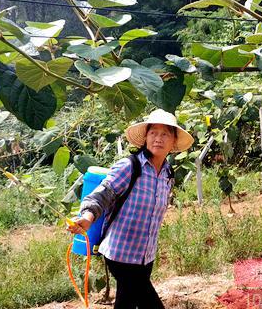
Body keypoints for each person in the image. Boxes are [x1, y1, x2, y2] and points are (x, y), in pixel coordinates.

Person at [67, 109, 194, 309]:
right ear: (145, 138)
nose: (158, 138)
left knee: (126, 303)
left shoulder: (168, 175)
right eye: (153, 133)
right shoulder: (130, 167)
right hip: (120, 254)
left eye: (164, 134)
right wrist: (87, 217)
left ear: (173, 142)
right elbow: (103, 195)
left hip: (145, 256)